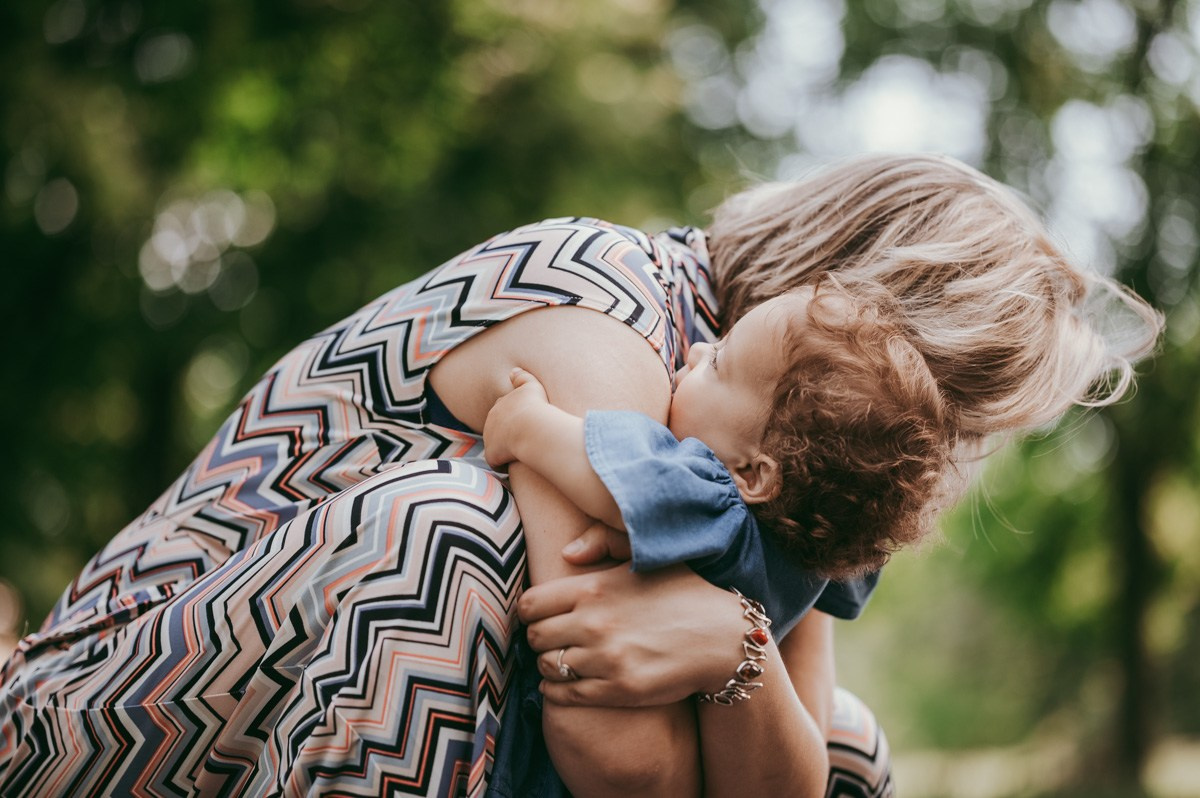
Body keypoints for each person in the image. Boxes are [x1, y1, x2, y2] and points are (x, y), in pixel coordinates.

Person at [0, 154, 1159, 798]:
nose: (918, 444)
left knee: (850, 745)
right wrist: (723, 661)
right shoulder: (608, 305)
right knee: (444, 535)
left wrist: (737, 647)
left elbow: (782, 769)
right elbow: (633, 766)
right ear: (849, 297)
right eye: (936, 395)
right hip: (96, 722)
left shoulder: (792, 455)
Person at [481, 278, 956, 616]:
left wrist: (526, 426)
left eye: (720, 362)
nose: (696, 350)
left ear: (752, 475)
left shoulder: (718, 510)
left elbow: (628, 481)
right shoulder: (803, 574)